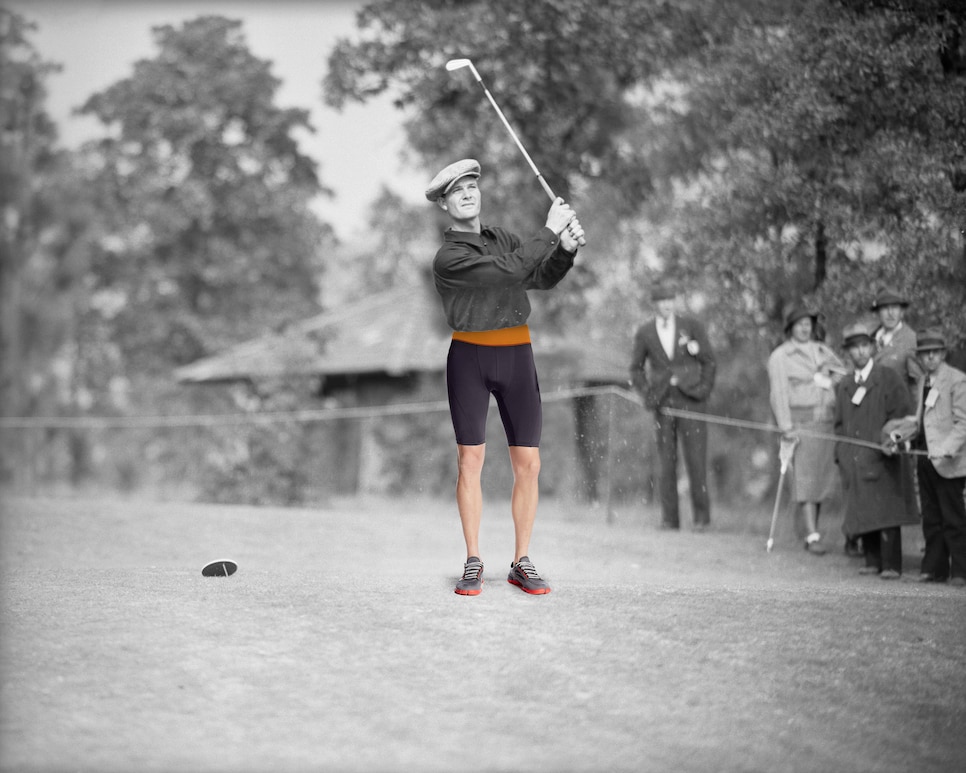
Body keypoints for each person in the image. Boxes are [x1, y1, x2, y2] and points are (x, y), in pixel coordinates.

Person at [426, 158, 584, 596]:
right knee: (470, 461)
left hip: (517, 353)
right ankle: (474, 559)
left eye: (473, 184)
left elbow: (537, 276)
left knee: (528, 463)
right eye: (457, 190)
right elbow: (509, 271)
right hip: (469, 358)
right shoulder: (449, 257)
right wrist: (550, 230)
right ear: (443, 203)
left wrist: (566, 250)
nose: (468, 192)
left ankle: (521, 562)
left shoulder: (505, 240)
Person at [834, 320, 918, 579]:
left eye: (864, 346)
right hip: (857, 459)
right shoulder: (845, 384)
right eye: (854, 348)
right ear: (847, 352)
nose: (859, 352)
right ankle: (871, 560)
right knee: (864, 507)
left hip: (884, 456)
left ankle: (891, 564)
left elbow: (904, 416)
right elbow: (839, 425)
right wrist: (842, 454)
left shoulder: (888, 377)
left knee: (886, 511)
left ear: (872, 348)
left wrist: (891, 440)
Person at [630, 282, 716, 531]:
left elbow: (709, 361)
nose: (666, 305)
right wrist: (648, 394)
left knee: (696, 460)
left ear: (674, 302)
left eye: (670, 300)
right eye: (661, 301)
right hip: (663, 403)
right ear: (654, 304)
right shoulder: (645, 331)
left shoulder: (692, 326)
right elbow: (635, 368)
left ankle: (702, 519)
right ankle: (670, 520)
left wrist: (702, 390)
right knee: (666, 462)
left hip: (692, 402)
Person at [766, 304, 847, 555]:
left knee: (820, 481)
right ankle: (812, 536)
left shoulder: (822, 350)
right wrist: (786, 426)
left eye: (808, 323)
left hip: (826, 424)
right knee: (806, 480)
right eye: (799, 324)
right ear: (790, 328)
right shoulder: (781, 355)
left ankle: (809, 531)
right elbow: (778, 392)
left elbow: (844, 374)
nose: (804, 328)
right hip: (801, 425)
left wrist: (828, 379)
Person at [905, 328, 966, 586]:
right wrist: (905, 436)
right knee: (930, 517)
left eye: (934, 353)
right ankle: (934, 568)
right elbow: (921, 419)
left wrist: (945, 448)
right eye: (924, 354)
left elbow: (963, 422)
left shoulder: (957, 380)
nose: (929, 358)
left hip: (949, 462)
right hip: (925, 459)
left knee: (953, 518)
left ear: (943, 353)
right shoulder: (922, 382)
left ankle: (960, 571)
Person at [870, 286, 921, 394]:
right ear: (878, 312)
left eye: (894, 307)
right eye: (885, 308)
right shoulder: (871, 338)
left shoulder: (911, 340)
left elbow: (918, 386)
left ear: (902, 312)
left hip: (898, 408)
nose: (890, 313)